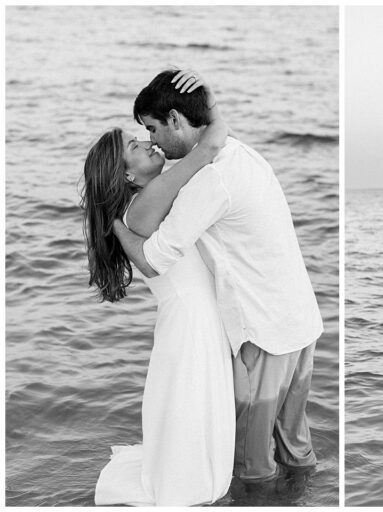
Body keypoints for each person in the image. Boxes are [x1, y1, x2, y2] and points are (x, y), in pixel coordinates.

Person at [111, 69, 325, 484]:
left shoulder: (209, 180)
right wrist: (211, 105)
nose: (153, 140)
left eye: (153, 128)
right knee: (295, 449)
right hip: (301, 325)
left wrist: (116, 227)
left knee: (251, 463)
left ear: (175, 119)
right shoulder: (237, 151)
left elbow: (155, 258)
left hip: (265, 335)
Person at [86, 71, 234, 506]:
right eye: (136, 145)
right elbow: (211, 145)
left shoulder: (145, 200)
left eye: (144, 135)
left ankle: (192, 478)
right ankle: (186, 487)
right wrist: (205, 95)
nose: (148, 143)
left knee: (191, 405)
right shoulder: (148, 200)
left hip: (190, 319)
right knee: (191, 405)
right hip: (190, 323)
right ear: (127, 175)